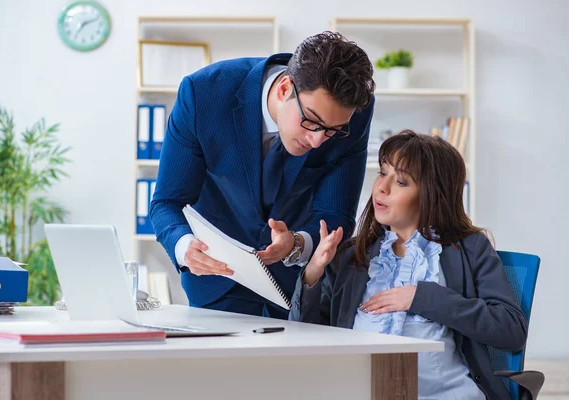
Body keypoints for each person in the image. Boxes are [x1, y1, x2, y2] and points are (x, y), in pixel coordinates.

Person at [150, 31, 376, 319]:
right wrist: (185, 248)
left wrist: (297, 244)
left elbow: (336, 215)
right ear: (284, 89)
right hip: (217, 282)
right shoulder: (203, 93)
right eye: (311, 122)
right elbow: (166, 203)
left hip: (297, 292)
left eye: (332, 131)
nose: (318, 141)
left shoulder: (354, 116)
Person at [289, 130, 527, 399]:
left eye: (401, 181)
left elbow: (510, 331)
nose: (382, 187)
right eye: (382, 172)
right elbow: (307, 339)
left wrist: (422, 297)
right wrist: (312, 274)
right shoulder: (351, 255)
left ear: (431, 194)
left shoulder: (470, 248)